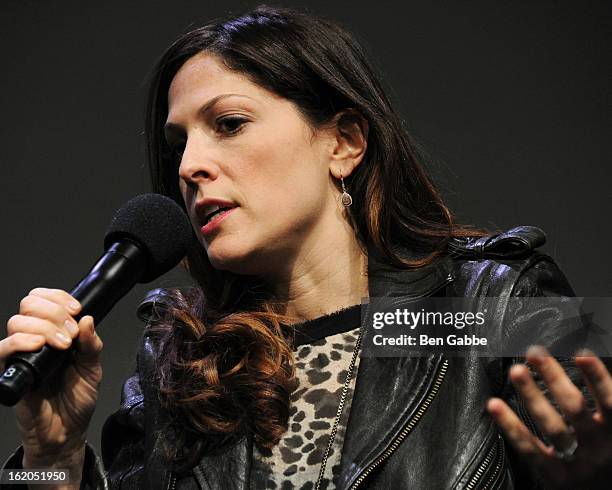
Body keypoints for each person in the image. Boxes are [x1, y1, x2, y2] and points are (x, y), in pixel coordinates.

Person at [1, 5, 611, 489]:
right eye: (177, 145)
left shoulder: (491, 305)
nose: (189, 166)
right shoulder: (178, 366)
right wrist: (51, 459)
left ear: (343, 142)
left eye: (229, 125)